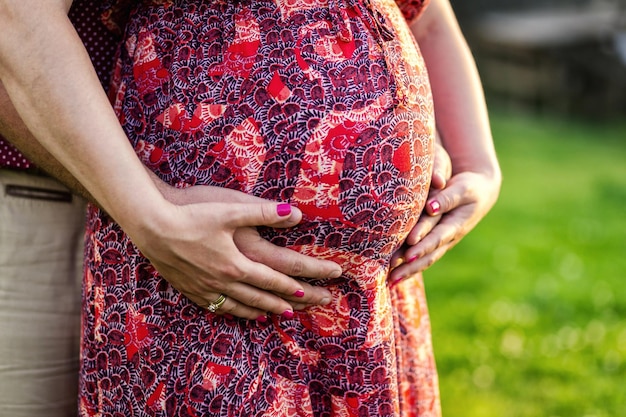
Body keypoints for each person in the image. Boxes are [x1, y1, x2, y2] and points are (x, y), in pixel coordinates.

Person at [0, 0, 501, 416]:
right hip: (187, 267)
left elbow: (428, 13)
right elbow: (19, 19)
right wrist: (152, 215)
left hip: (371, 300)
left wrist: (478, 163)